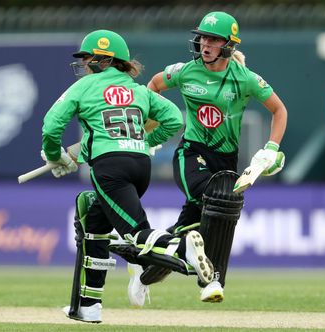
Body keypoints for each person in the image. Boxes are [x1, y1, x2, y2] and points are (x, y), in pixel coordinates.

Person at [40, 29, 214, 323]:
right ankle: (88, 305)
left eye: (87, 59)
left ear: (102, 61)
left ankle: (184, 249)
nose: (84, 65)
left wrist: (57, 156)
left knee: (135, 234)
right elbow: (174, 118)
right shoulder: (139, 90)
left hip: (110, 169)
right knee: (93, 220)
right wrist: (145, 141)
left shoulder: (83, 87)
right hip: (139, 165)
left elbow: (50, 126)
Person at [127, 11, 288, 306]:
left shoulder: (245, 79)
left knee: (192, 229)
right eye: (202, 37)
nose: (204, 44)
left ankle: (145, 266)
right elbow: (153, 85)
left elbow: (279, 111)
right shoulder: (186, 71)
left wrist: (270, 147)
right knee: (222, 204)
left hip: (225, 161)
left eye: (213, 39)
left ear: (228, 45)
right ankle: (212, 280)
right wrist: (149, 125)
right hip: (191, 154)